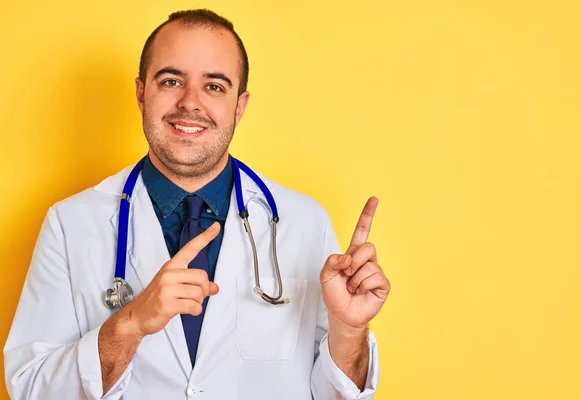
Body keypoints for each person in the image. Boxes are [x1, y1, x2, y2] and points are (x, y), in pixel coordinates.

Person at [4, 9, 390, 400]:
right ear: (141, 93)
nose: (190, 103)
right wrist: (131, 323)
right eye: (171, 81)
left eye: (215, 86)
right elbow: (31, 389)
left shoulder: (304, 222)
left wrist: (350, 332)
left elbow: (334, 395)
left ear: (240, 105)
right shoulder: (70, 225)